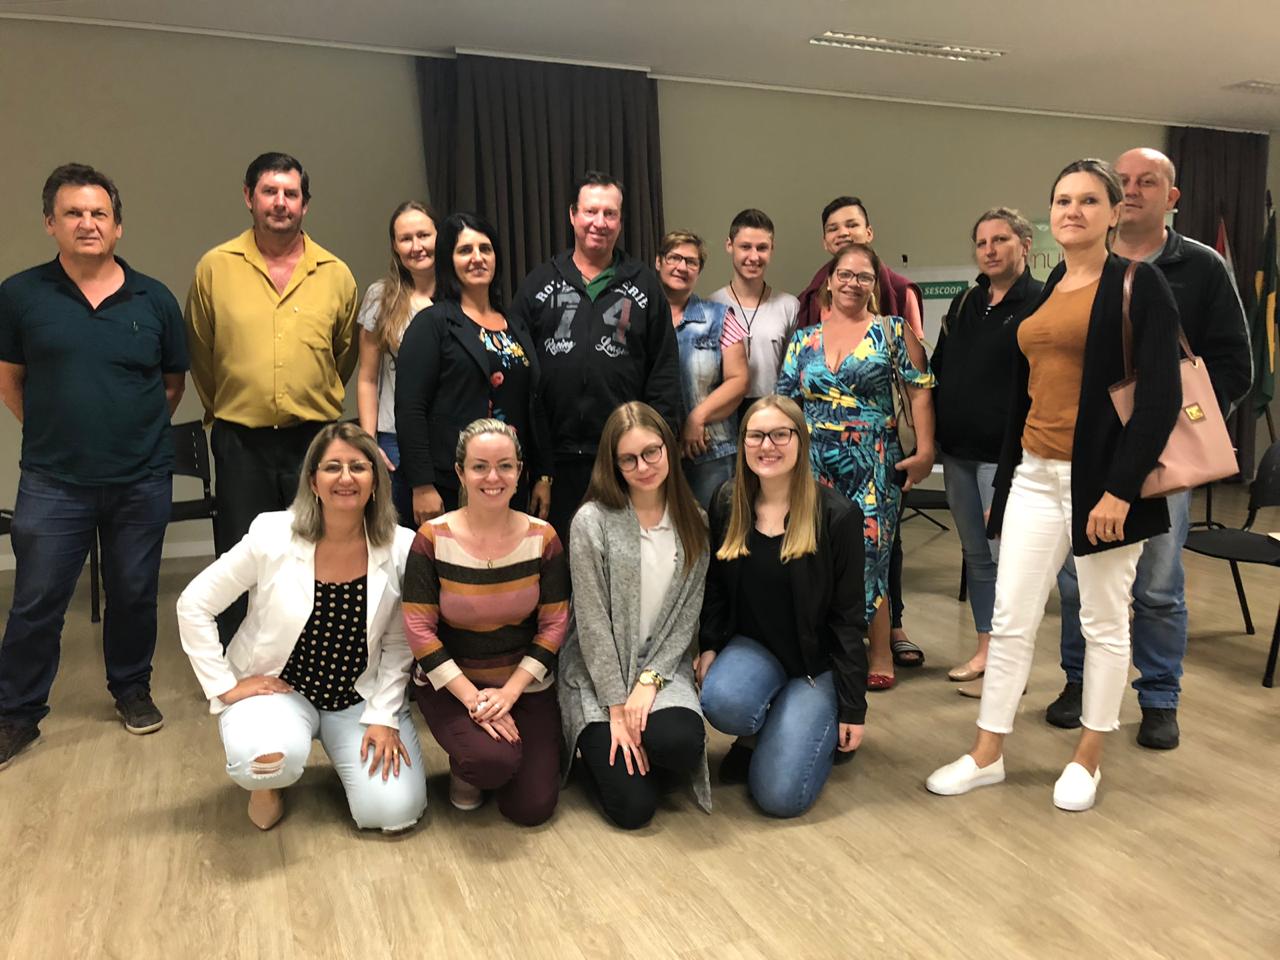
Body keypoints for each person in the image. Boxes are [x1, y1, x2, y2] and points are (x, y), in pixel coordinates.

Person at [926, 159, 1181, 812]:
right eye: (1063, 200)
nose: (1073, 210)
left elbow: (1160, 398)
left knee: (1102, 621)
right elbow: (1026, 398)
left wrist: (1121, 489)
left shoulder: (1138, 284)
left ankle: (1088, 756)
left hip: (1102, 483)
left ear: (1114, 212)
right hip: (1035, 476)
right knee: (1011, 618)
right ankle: (987, 752)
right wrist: (1008, 483)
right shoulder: (1049, 290)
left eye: (1089, 200)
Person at [1047, 147, 1254, 749]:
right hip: (1085, 455)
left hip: (1162, 456)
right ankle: (1079, 683)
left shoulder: (1203, 267)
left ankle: (1159, 698)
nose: (1132, 190)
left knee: (1157, 587)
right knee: (1078, 581)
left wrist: (1180, 426)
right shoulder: (1075, 266)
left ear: (1172, 197)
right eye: (1123, 181)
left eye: (1147, 181)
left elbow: (1234, 365)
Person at [0, 164, 187, 769]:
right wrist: (57, 430)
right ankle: (16, 713)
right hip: (53, 481)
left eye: (98, 213)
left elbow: (172, 383)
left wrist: (128, 434)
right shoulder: (20, 295)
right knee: (36, 600)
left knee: (134, 593)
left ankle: (131, 688)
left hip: (141, 478)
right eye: (73, 213)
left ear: (118, 225)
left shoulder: (154, 298)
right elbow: (9, 378)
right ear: (50, 223)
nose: (87, 223)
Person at [176, 423, 426, 832]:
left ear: (376, 481)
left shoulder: (401, 546)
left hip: (356, 696)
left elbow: (400, 642)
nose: (345, 478)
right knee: (262, 764)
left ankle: (345, 753)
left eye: (358, 467)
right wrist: (224, 686)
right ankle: (270, 784)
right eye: (332, 467)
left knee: (394, 811)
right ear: (313, 481)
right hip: (280, 688)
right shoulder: (272, 534)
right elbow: (194, 604)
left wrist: (384, 715)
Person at [186, 152, 359, 642]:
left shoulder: (335, 273)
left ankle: (315, 657)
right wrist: (237, 402)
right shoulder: (215, 268)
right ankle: (238, 664)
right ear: (249, 197)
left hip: (314, 442)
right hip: (240, 441)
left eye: (291, 193)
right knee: (240, 560)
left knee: (320, 552)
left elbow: (342, 355)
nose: (280, 202)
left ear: (305, 203)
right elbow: (201, 352)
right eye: (269, 191)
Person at [698, 396, 868, 817]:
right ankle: (765, 728)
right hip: (756, 649)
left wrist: (853, 708)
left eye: (780, 434)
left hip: (815, 667)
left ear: (800, 440)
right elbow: (716, 586)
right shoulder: (727, 502)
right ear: (743, 442)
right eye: (756, 435)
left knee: (779, 797)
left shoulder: (838, 516)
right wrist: (710, 645)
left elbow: (849, 619)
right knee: (722, 700)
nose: (767, 446)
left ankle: (802, 725)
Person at [777, 242, 935, 691]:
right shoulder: (804, 339)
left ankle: (879, 651)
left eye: (863, 276)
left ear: (874, 284)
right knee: (813, 552)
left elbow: (920, 392)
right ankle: (822, 647)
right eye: (844, 274)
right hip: (811, 462)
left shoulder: (893, 331)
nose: (853, 283)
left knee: (870, 555)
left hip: (873, 461)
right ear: (829, 281)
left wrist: (925, 452)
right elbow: (786, 401)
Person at [403, 419, 568, 824]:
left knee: (532, 808)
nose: (493, 478)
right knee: (490, 761)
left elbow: (553, 625)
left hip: (522, 685)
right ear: (460, 473)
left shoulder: (544, 537)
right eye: (480, 466)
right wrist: (474, 699)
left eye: (505, 466)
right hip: (454, 685)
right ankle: (471, 768)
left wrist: (509, 694)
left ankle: (519, 757)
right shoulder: (431, 538)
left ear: (520, 472)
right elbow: (419, 631)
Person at [557, 402, 711, 829]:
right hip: (598, 670)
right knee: (633, 809)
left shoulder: (694, 521)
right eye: (628, 459)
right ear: (614, 464)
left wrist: (651, 681)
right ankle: (600, 754)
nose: (642, 466)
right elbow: (591, 623)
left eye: (651, 452)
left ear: (668, 448)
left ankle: (646, 748)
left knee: (679, 743)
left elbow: (686, 618)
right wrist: (617, 708)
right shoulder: (592, 522)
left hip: (660, 667)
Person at [509, 171, 681, 543]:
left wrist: (655, 450)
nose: (599, 222)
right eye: (590, 211)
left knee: (621, 556)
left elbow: (664, 372)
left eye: (610, 213)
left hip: (623, 458)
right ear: (573, 215)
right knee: (555, 560)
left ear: (620, 221)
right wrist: (531, 460)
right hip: (552, 462)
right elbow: (518, 372)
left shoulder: (645, 285)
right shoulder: (538, 283)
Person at [932, 208, 1044, 695]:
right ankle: (986, 651)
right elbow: (939, 369)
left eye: (1001, 240)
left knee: (1008, 563)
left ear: (1025, 245)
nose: (990, 250)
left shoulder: (1041, 302)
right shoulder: (965, 303)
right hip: (958, 454)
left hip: (1006, 460)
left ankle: (1010, 665)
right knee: (977, 557)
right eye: (982, 243)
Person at [396, 213, 551, 525]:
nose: (477, 258)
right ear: (448, 260)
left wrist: (543, 475)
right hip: (450, 484)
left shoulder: (515, 325)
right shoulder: (432, 323)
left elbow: (534, 404)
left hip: (511, 480)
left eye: (485, 249)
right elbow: (410, 408)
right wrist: (422, 485)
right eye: (465, 250)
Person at [356, 201, 439, 527]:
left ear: (439, 236)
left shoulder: (461, 294)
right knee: (400, 538)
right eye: (406, 238)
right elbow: (367, 378)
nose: (416, 246)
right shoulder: (381, 297)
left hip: (449, 436)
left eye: (424, 235)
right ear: (394, 245)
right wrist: (369, 444)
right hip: (395, 440)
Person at [656, 229, 749, 508]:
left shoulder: (719, 317)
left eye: (691, 262)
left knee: (715, 530)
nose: (682, 267)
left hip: (710, 453)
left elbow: (739, 380)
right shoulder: (639, 315)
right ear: (658, 262)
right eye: (674, 258)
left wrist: (697, 418)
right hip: (652, 454)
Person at [707, 209, 800, 422]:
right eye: (745, 247)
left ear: (772, 249)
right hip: (724, 415)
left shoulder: (789, 306)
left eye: (762, 248)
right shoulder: (711, 306)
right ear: (729, 245)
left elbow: (793, 375)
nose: (754, 257)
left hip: (773, 413)